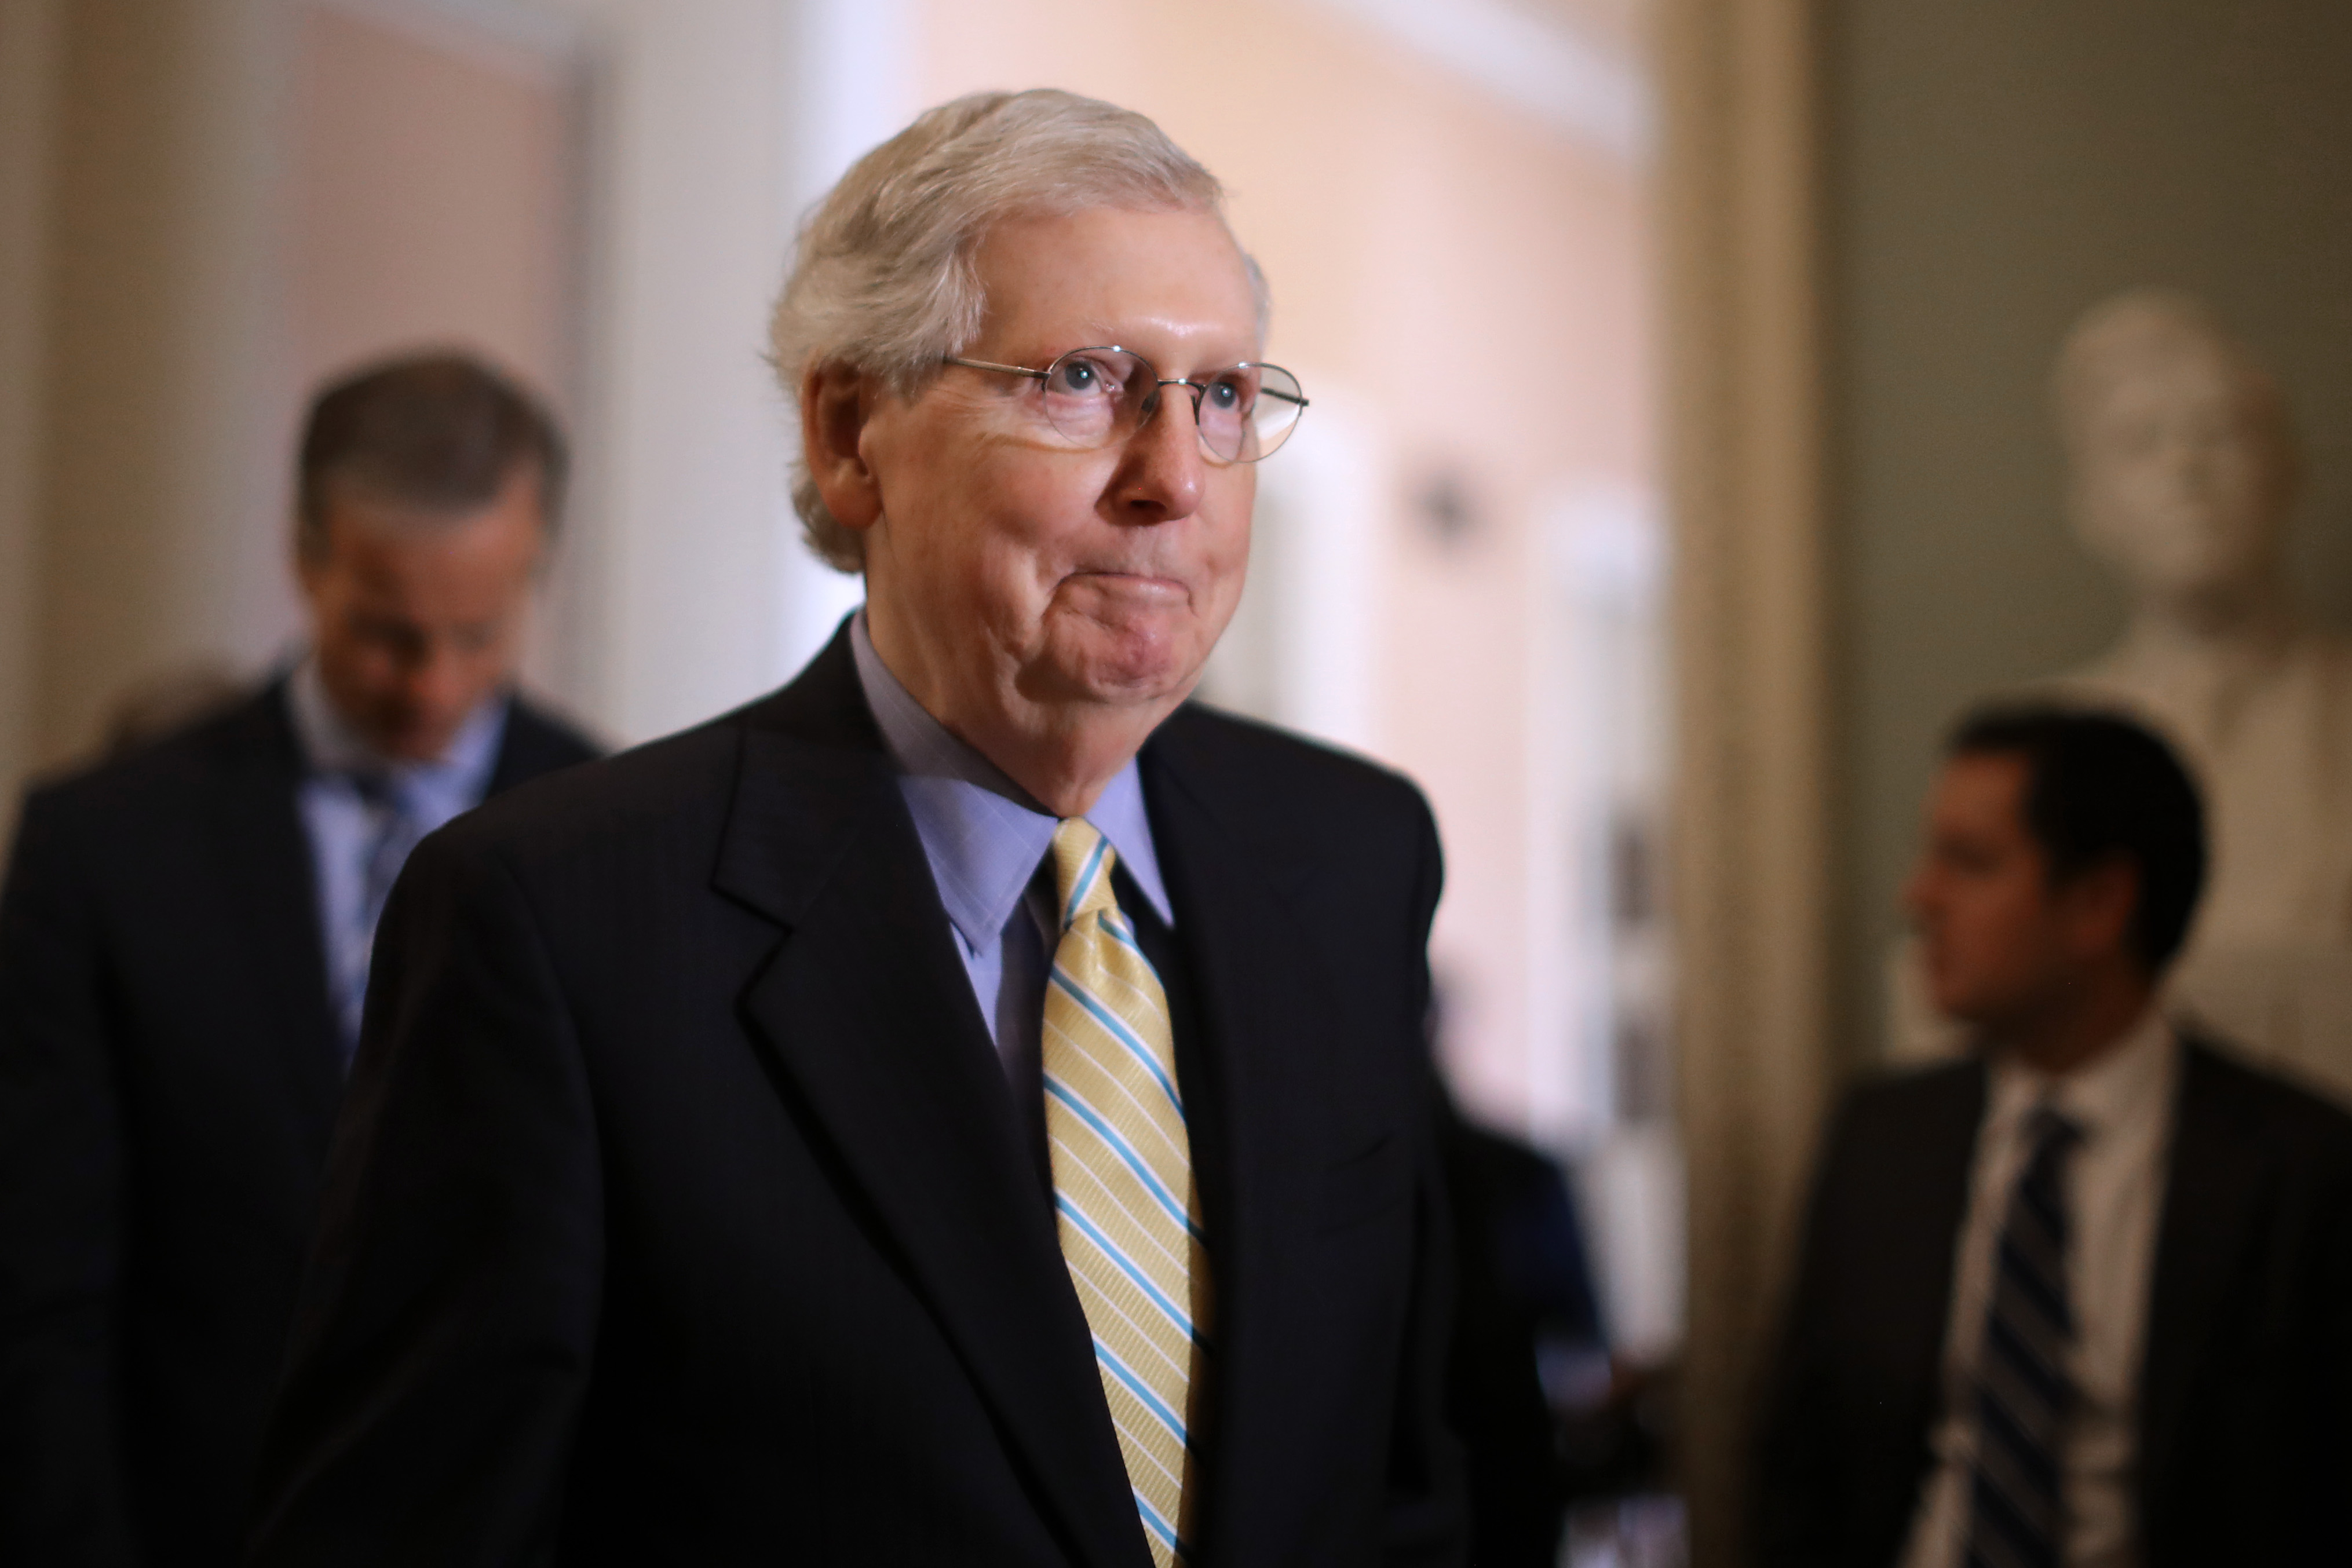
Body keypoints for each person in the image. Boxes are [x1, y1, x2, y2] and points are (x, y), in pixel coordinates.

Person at [244, 91, 1463, 1568]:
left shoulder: (1350, 856)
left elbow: (1418, 1474)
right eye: (1084, 379)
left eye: (1218, 395)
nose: (1176, 480)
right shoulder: (555, 924)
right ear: (849, 435)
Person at [0, 352, 601, 1566]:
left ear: (531, 570)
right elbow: (37, 1295)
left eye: (477, 634)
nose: (433, 689)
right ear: (306, 558)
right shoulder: (103, 845)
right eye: (387, 635)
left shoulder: (612, 833)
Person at [1758, 706, 2352, 1568]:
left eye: (1969, 862)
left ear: (2099, 902)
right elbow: (1797, 1470)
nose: (1917, 898)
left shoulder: (2301, 1168)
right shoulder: (1882, 1139)